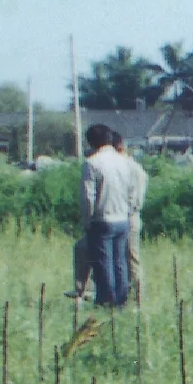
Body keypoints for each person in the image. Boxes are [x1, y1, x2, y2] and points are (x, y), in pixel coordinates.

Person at [76, 125, 146, 307]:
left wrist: (87, 219)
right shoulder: (125, 162)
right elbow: (132, 191)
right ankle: (121, 301)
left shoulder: (92, 163)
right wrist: (127, 210)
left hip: (102, 219)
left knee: (103, 263)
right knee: (120, 263)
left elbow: (88, 196)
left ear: (91, 142)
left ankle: (106, 301)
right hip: (123, 219)